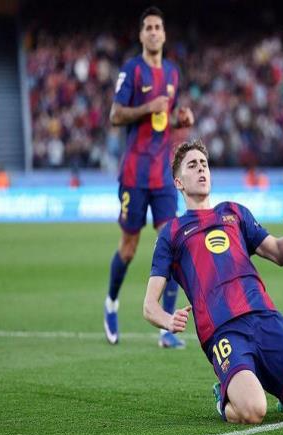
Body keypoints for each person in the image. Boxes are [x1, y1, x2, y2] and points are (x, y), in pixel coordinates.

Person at [143, 140, 283, 424]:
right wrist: (168, 321)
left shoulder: (234, 212)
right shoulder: (172, 233)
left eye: (204, 164)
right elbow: (149, 305)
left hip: (265, 317)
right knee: (253, 411)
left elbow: (280, 254)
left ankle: (281, 387)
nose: (201, 169)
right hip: (223, 330)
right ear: (179, 182)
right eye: (192, 165)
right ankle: (225, 398)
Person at [104, 6, 194, 347]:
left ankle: (166, 327)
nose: (154, 32)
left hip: (163, 175)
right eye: (149, 27)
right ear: (142, 35)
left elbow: (164, 120)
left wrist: (180, 121)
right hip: (134, 173)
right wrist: (147, 107)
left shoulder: (172, 72)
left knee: (173, 244)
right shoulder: (132, 70)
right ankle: (111, 303)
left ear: (164, 34)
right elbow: (115, 115)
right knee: (129, 248)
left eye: (158, 27)